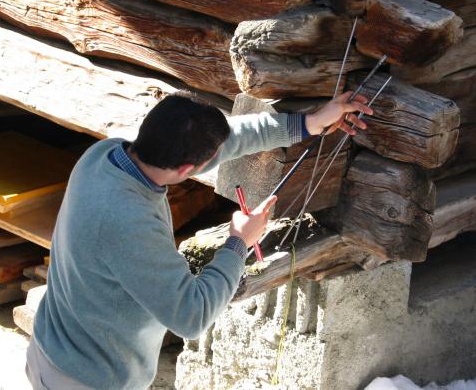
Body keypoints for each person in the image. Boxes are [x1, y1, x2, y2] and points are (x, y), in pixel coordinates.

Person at [25, 91, 372, 390]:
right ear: (186, 170)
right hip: (87, 379)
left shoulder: (107, 154)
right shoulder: (127, 221)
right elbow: (191, 316)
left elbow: (228, 139)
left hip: (51, 349)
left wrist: (308, 124)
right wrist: (239, 242)